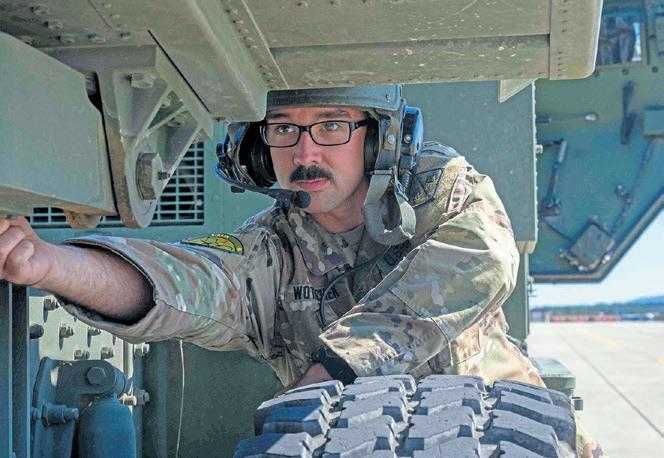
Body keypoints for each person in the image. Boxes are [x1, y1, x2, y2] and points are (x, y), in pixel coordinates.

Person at [0, 85, 603, 457]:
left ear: (379, 141)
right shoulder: (271, 247)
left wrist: (335, 367)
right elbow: (190, 280)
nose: (305, 152)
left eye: (332, 125)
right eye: (284, 129)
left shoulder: (437, 190)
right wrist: (51, 264)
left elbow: (480, 258)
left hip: (498, 433)